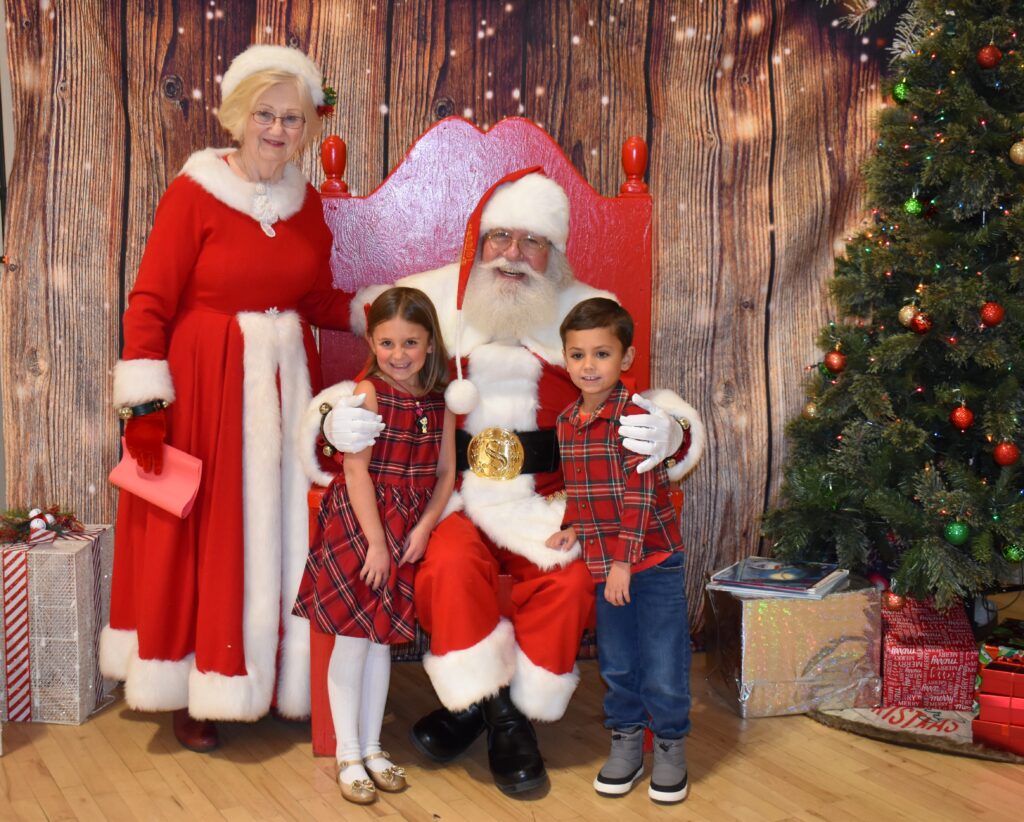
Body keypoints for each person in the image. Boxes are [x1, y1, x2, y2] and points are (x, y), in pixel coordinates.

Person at [304, 168, 704, 795]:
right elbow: (370, 381)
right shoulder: (431, 305)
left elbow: (647, 400)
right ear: (478, 243)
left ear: (556, 253)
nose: (514, 255)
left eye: (532, 241)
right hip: (453, 497)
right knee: (446, 569)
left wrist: (674, 433)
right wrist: (332, 422)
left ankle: (480, 710)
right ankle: (505, 720)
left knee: (570, 577)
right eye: (501, 237)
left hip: (549, 501)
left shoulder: (585, 318)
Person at [99, 44, 383, 753]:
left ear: (306, 127)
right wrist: (144, 406)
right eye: (266, 114)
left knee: (278, 532)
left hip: (283, 390)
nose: (278, 130)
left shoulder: (307, 204)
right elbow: (150, 302)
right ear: (239, 115)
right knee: (203, 537)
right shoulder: (194, 192)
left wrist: (379, 315)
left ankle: (275, 672)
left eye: (292, 118)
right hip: (204, 387)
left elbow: (311, 296)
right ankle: (196, 684)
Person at [293, 288, 456, 805]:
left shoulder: (442, 400)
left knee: (382, 639)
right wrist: (377, 543)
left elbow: (447, 473)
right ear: (372, 341)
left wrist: (426, 526)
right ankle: (348, 753)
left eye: (411, 342)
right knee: (354, 639)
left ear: (430, 343)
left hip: (407, 530)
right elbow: (356, 470)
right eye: (388, 343)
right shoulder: (369, 392)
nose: (399, 354)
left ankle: (373, 746)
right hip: (361, 529)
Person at [546, 298, 690, 804]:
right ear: (564, 360)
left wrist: (623, 563)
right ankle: (627, 740)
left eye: (602, 354)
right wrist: (573, 524)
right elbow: (583, 485)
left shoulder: (636, 419)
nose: (589, 366)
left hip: (649, 562)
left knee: (664, 661)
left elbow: (640, 494)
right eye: (578, 354)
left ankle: (670, 745)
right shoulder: (567, 422)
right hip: (607, 565)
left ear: (626, 359)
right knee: (618, 662)